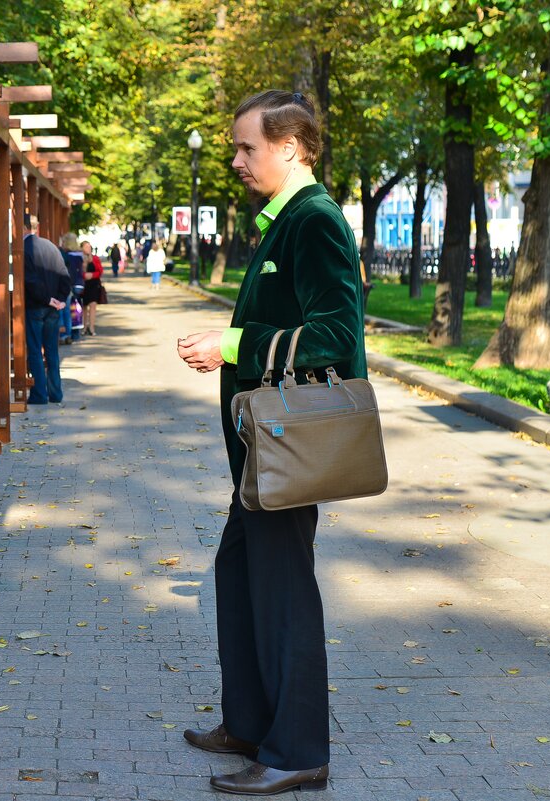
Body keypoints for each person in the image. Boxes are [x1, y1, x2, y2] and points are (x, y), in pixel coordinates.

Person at [176, 90, 365, 796]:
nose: (236, 160)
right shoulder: (285, 220)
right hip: (267, 448)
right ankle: (252, 724)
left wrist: (230, 345)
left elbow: (336, 336)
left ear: (291, 146)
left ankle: (298, 751)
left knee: (284, 593)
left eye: (247, 147)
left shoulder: (313, 221)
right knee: (238, 576)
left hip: (292, 445)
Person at [22, 214, 71, 404]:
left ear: (23, 227)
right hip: (53, 309)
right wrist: (60, 300)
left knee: (35, 351)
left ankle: (39, 394)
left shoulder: (23, 249)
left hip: (35, 307)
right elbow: (64, 276)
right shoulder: (52, 247)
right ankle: (56, 393)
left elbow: (30, 281)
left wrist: (48, 299)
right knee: (52, 351)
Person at [59, 232, 84, 344]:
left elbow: (70, 272)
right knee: (75, 310)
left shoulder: (68, 256)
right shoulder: (79, 255)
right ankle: (73, 333)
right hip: (80, 284)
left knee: (65, 310)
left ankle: (64, 334)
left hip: (70, 285)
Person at [80, 240, 106, 335]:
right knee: (84, 307)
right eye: (86, 247)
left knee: (93, 305)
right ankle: (84, 327)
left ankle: (91, 327)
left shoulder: (95, 258)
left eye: (89, 247)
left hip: (94, 284)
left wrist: (92, 275)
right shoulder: (80, 258)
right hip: (83, 285)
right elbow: (76, 271)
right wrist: (84, 275)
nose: (88, 249)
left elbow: (100, 271)